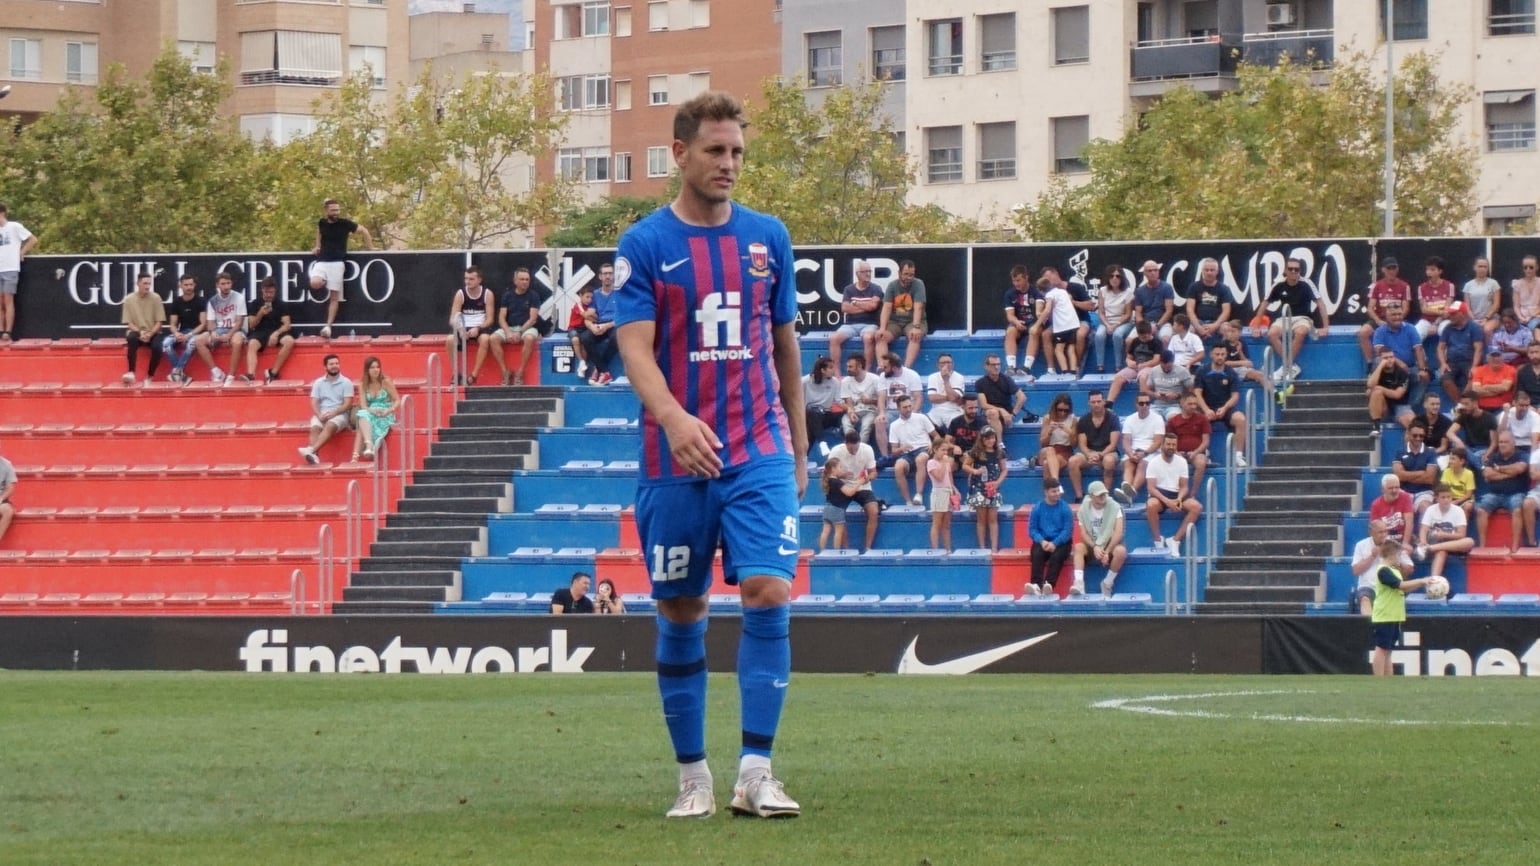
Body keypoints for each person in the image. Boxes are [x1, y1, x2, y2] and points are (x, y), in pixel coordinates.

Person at [612, 91, 804, 820]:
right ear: (680, 155)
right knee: (683, 607)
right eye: (716, 151)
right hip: (674, 459)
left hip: (757, 449)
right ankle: (692, 775)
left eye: (737, 152)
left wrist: (797, 439)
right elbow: (634, 347)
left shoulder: (768, 238)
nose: (729, 164)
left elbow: (785, 343)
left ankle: (756, 772)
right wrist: (673, 417)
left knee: (768, 590)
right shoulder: (644, 245)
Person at [1254, 257, 1328, 384]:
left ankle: (1285, 367)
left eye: (1297, 269)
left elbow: (1320, 303)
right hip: (1284, 318)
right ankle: (1290, 366)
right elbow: (1264, 304)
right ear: (1285, 270)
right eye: (1290, 269)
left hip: (1303, 318)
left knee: (1300, 332)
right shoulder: (1278, 284)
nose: (1294, 271)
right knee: (1272, 333)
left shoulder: (1307, 283)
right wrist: (1256, 327)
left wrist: (1326, 327)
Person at [309, 198, 374, 339]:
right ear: (326, 211)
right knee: (314, 283)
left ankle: (328, 326)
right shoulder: (322, 222)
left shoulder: (345, 224)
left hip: (337, 263)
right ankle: (325, 281)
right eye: (333, 210)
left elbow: (364, 230)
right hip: (322, 261)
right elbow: (319, 233)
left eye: (338, 210)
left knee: (334, 297)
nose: (336, 213)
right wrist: (317, 246)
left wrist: (371, 248)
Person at [1370, 538, 1432, 677]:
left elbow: (1402, 590)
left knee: (1389, 649)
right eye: (1399, 555)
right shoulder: (1383, 571)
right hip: (1384, 615)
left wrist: (1421, 585)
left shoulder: (1393, 570)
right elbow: (1400, 585)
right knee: (1381, 648)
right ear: (1391, 554)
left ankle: (1389, 679)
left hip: (1394, 614)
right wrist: (1421, 580)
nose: (1400, 558)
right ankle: (1378, 679)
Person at [1145, 431, 1203, 557]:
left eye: (1173, 445)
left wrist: (1179, 499)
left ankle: (1175, 540)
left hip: (1177, 493)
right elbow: (1151, 488)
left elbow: (1184, 486)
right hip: (1159, 493)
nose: (1171, 447)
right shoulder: (1153, 462)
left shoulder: (1182, 462)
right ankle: (1158, 540)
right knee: (1150, 505)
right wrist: (1167, 502)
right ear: (1162, 445)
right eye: (1168, 444)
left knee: (1196, 507)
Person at [1196, 343, 1249, 467]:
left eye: (1223, 354)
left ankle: (1238, 455)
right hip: (1207, 408)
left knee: (1240, 419)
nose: (1220, 357)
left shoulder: (1231, 373)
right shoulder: (1202, 371)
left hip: (1225, 408)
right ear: (1211, 355)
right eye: (1217, 354)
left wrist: (1225, 408)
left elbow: (1235, 396)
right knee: (1196, 419)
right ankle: (1204, 453)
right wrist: (1206, 409)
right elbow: (1197, 393)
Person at [1475, 431, 1529, 552]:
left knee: (1517, 510)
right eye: (1500, 442)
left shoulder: (1522, 455)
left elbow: (1519, 468)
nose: (1502, 445)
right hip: (1494, 494)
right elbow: (1487, 474)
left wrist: (1498, 469)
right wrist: (1510, 474)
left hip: (1516, 493)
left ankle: (1515, 546)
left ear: (1513, 443)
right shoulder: (1494, 456)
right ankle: (1482, 546)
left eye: (1505, 442)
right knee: (1480, 510)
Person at [297, 353, 354, 465]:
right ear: (325, 367)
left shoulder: (346, 382)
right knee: (315, 428)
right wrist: (319, 414)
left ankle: (311, 450)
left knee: (330, 425)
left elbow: (348, 404)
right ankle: (314, 455)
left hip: (340, 413)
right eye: (331, 364)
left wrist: (335, 412)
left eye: (337, 363)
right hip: (322, 412)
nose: (335, 366)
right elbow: (314, 402)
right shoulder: (318, 382)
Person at [829, 427, 880, 551]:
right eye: (851, 448)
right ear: (845, 444)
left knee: (873, 511)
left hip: (862, 485)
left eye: (856, 448)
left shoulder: (867, 450)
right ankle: (846, 549)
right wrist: (842, 475)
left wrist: (865, 479)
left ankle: (868, 547)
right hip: (842, 485)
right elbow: (828, 474)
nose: (854, 451)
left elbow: (873, 472)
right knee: (838, 514)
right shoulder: (836, 451)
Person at [1371, 302, 1428, 410]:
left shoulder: (1410, 328)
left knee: (1423, 376)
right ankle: (1385, 407)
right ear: (1386, 316)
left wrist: (1422, 369)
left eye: (1399, 314)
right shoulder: (1380, 331)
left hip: (1409, 367)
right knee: (1377, 361)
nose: (1397, 317)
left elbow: (1418, 349)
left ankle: (1410, 408)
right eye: (1393, 315)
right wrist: (1398, 362)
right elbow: (1379, 351)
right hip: (1390, 369)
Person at [445, 265, 497, 385]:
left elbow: (490, 319)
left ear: (479, 280)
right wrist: (461, 329)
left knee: (485, 339)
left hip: (480, 326)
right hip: (463, 325)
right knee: (449, 340)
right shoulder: (460, 294)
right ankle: (456, 373)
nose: (468, 282)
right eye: (466, 279)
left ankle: (473, 376)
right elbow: (452, 319)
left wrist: (478, 328)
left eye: (471, 279)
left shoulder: (487, 294)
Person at [1073, 480, 1127, 597]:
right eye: (1099, 495)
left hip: (1110, 544)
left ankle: (1107, 583)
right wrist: (1095, 546)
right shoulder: (1083, 510)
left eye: (1104, 494)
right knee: (1078, 548)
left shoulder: (1115, 507)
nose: (1103, 497)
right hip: (1093, 543)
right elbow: (1084, 533)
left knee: (1121, 551)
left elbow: (1118, 532)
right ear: (1091, 496)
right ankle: (1079, 583)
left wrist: (1107, 551)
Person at [492, 266, 544, 385]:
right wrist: (508, 332)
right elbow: (501, 317)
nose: (525, 282)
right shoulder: (507, 295)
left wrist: (519, 332)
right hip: (509, 327)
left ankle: (520, 372)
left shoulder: (534, 295)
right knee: (493, 338)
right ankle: (505, 371)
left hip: (527, 328)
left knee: (530, 338)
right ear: (515, 281)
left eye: (527, 279)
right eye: (522, 279)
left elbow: (532, 319)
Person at [1067, 389, 1121, 501]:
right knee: (1072, 461)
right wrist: (1090, 455)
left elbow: (1113, 444)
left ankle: (1106, 495)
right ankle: (1079, 495)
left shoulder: (1113, 418)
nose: (1096, 404)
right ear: (1088, 403)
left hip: (1108, 452)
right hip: (1089, 453)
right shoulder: (1083, 420)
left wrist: (1100, 455)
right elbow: (1082, 445)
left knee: (1109, 461)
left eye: (1099, 401)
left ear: (1104, 402)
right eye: (1093, 402)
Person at [242, 276, 296, 383]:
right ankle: (251, 375)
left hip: (276, 330)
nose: (269, 295)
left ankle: (273, 372)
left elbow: (287, 324)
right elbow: (252, 324)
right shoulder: (255, 303)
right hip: (260, 331)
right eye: (266, 292)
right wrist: (260, 313)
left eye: (271, 292)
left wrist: (276, 333)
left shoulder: (281, 304)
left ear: (275, 291)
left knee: (289, 341)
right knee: (252, 343)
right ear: (262, 290)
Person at [196, 271, 246, 384]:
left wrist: (229, 335)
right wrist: (212, 332)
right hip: (219, 329)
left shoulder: (239, 297)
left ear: (231, 284)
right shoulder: (213, 301)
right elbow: (210, 322)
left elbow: (239, 322)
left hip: (235, 329)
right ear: (217, 285)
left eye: (228, 283)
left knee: (237, 342)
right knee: (199, 340)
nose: (226, 286)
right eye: (223, 284)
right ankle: (216, 372)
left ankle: (231, 376)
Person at [1115, 392, 1165, 506]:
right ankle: (1127, 490)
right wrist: (1130, 453)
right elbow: (1126, 441)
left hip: (1151, 452)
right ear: (1136, 405)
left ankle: (1129, 493)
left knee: (1143, 464)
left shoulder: (1158, 419)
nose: (1145, 406)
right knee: (1128, 463)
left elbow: (1158, 442)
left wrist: (1145, 453)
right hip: (1134, 451)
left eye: (1147, 403)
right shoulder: (1129, 419)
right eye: (1141, 403)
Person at [963, 427, 1009, 552]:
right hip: (978, 487)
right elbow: (965, 465)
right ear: (982, 440)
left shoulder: (1000, 452)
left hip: (993, 488)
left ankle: (994, 547)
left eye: (992, 438)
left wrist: (998, 482)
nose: (990, 441)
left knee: (993, 519)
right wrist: (975, 471)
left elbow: (1004, 470)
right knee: (981, 519)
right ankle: (982, 547)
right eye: (987, 438)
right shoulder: (976, 452)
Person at [1358, 257, 1410, 366]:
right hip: (1381, 319)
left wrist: (1397, 318)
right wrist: (1377, 321)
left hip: (1397, 319)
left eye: (1394, 268)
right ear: (1383, 270)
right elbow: (1370, 308)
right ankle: (1370, 362)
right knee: (1363, 332)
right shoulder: (1377, 285)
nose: (1391, 271)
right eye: (1389, 268)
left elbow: (1406, 308)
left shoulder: (1404, 286)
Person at [888, 395, 938, 506]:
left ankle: (918, 494)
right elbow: (894, 450)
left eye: (910, 406)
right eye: (905, 407)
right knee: (898, 467)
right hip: (906, 453)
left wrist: (933, 446)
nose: (908, 409)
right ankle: (908, 501)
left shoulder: (921, 418)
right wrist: (902, 448)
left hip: (923, 448)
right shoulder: (894, 425)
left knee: (920, 459)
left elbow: (936, 437)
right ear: (899, 409)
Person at [831, 260, 882, 371]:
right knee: (834, 338)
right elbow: (844, 308)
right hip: (850, 325)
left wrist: (855, 303)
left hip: (870, 324)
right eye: (865, 271)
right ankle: (836, 373)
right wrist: (865, 307)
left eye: (869, 271)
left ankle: (866, 371)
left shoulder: (876, 288)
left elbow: (873, 306)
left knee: (868, 338)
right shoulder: (849, 289)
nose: (868, 274)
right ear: (857, 274)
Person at [876, 259, 926, 369]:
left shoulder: (918, 284)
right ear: (899, 273)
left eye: (911, 275)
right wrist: (882, 328)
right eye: (906, 274)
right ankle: (883, 368)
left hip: (913, 321)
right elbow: (887, 307)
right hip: (895, 322)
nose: (909, 277)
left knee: (915, 336)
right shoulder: (892, 285)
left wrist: (916, 327)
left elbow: (918, 307)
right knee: (881, 337)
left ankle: (906, 370)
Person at [1026, 476, 1072, 596]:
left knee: (1057, 556)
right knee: (1037, 553)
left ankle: (1049, 584)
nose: (1057, 494)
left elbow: (1067, 531)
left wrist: (1055, 543)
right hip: (1043, 540)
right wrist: (1042, 541)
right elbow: (1032, 530)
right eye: (1054, 491)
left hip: (1062, 542)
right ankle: (1035, 585)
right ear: (1046, 492)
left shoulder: (1065, 508)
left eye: (1058, 491)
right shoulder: (1038, 508)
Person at [0, 201, 38, 343]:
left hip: (10, 267)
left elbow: (32, 239)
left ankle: (7, 332)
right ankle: (1, 330)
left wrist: (21, 252)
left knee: (8, 299)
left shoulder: (14, 227)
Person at [1417, 485, 1476, 576]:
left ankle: (1428, 549)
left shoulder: (1458, 510)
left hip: (1453, 544)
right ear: (1437, 498)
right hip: (1435, 541)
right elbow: (1423, 530)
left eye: (1448, 497)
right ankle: (1434, 580)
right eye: (1443, 497)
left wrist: (1444, 535)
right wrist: (1423, 542)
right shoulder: (1431, 509)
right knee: (1441, 552)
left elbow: (1461, 535)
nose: (1446, 500)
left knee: (1470, 541)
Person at [120, 272, 166, 386]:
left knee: (157, 347)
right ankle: (131, 372)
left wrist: (150, 334)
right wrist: (140, 332)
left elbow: (159, 322)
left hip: (153, 331)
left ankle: (150, 376)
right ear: (138, 283)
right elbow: (128, 322)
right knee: (131, 339)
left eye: (149, 284)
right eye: (145, 283)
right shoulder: (129, 299)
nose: (147, 286)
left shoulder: (156, 298)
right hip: (137, 331)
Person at [873, 352, 923, 458]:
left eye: (886, 367)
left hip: (909, 409)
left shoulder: (912, 375)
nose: (883, 369)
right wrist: (881, 413)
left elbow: (918, 398)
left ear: (894, 367)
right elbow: (881, 398)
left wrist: (912, 414)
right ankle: (886, 456)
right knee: (879, 422)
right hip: (891, 411)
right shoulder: (883, 376)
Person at [351, 356, 399, 461]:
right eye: (372, 367)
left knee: (361, 422)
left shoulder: (385, 381)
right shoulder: (363, 384)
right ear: (367, 370)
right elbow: (363, 405)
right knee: (363, 414)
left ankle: (355, 456)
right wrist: (371, 410)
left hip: (385, 412)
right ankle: (368, 446)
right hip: (371, 411)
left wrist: (389, 410)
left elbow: (397, 400)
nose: (376, 370)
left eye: (378, 367)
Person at [1437, 301, 1486, 403]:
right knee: (1444, 378)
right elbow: (1440, 348)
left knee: (1473, 378)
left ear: (1462, 314)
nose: (1450, 316)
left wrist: (1474, 366)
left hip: (1469, 361)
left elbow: (1478, 349)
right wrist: (1443, 363)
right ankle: (1460, 405)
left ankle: (1467, 405)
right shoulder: (1448, 328)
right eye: (1450, 313)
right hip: (1452, 362)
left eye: (1453, 314)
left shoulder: (1474, 327)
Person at [580, 262, 620, 385]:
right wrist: (592, 327)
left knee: (617, 337)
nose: (608, 276)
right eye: (605, 274)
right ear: (600, 277)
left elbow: (623, 316)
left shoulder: (620, 293)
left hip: (614, 325)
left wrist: (606, 326)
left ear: (614, 276)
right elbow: (588, 316)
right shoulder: (595, 295)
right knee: (585, 337)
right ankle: (605, 371)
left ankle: (599, 369)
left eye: (610, 273)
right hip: (599, 324)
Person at [161, 274, 205, 384]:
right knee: (166, 343)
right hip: (182, 332)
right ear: (180, 285)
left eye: (191, 284)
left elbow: (203, 324)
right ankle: (180, 373)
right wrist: (176, 333)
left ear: (194, 285)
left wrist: (189, 335)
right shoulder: (177, 302)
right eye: (186, 285)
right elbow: (172, 324)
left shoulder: (201, 301)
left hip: (197, 333)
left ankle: (176, 372)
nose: (189, 287)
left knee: (191, 343)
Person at [1391, 420, 1439, 519]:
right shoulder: (1400, 451)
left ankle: (1423, 535)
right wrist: (1422, 473)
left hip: (1424, 492)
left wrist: (1406, 475)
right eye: (1415, 435)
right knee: (1399, 510)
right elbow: (1398, 476)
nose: (1418, 438)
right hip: (1404, 491)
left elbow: (1429, 478)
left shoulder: (1431, 452)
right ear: (1408, 434)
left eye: (1421, 436)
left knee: (1425, 508)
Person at [1106, 320, 1161, 405]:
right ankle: (1109, 403)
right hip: (1136, 366)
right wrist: (1129, 362)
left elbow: (1156, 360)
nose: (1143, 339)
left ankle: (1143, 403)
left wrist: (1144, 365)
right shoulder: (1135, 341)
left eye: (1145, 337)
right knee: (1118, 377)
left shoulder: (1157, 342)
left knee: (1143, 377)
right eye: (1141, 337)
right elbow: (1128, 357)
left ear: (1150, 333)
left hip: (1149, 367)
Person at [1002, 264, 1042, 379]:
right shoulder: (1010, 294)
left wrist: (1035, 323)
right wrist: (1016, 322)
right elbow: (1010, 315)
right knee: (1010, 332)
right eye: (1014, 281)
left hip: (1034, 322)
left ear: (1026, 278)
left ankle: (1026, 367)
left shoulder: (1036, 291)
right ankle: (1011, 366)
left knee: (1034, 331)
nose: (1016, 284)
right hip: (1019, 322)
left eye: (1018, 280)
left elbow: (1040, 311)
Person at [1166, 394, 1212, 494]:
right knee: (1171, 463)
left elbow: (1206, 441)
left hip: (1197, 452)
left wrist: (1195, 452)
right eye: (1190, 404)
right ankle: (1176, 493)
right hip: (1178, 453)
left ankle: (1193, 493)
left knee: (1201, 463)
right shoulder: (1173, 421)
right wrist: (1176, 452)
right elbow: (1168, 441)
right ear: (1182, 403)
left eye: (1195, 404)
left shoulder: (1202, 419)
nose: (1193, 406)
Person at [975, 353, 1028, 436]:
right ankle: (999, 443)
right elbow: (983, 404)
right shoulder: (980, 383)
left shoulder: (1006, 380)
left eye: (998, 364)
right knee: (992, 413)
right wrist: (1000, 410)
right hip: (990, 412)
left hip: (1007, 413)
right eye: (993, 365)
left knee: (993, 416)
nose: (996, 367)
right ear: (986, 366)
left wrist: (1013, 414)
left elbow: (1022, 397)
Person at [1095, 263, 1135, 374]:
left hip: (1123, 322)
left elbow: (1128, 314)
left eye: (1118, 276)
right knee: (1099, 335)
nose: (1114, 278)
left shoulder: (1128, 292)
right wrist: (1108, 325)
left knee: (1117, 335)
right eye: (1112, 276)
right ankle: (1100, 365)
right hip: (1106, 321)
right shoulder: (1102, 291)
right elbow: (1101, 312)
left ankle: (1118, 365)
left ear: (1122, 278)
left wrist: (1115, 325)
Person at [1184, 257, 1233, 347]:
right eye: (1206, 270)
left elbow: (1226, 311)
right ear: (1202, 271)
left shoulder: (1224, 289)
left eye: (1212, 270)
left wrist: (1215, 325)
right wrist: (1198, 326)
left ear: (1217, 272)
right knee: (1187, 331)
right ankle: (1190, 359)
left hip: (1217, 322)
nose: (1209, 272)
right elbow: (1189, 309)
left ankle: (1224, 356)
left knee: (1227, 330)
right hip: (1198, 322)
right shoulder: (1194, 287)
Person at [1039, 273, 1080, 376]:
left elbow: (1047, 310)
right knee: (1070, 348)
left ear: (1041, 291)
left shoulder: (1049, 295)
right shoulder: (1063, 291)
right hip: (1073, 324)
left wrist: (1037, 324)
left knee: (1059, 349)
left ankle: (1065, 372)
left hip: (1062, 326)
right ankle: (1074, 371)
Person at [1349, 518, 1391, 616]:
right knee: (1364, 598)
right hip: (1367, 586)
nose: (1384, 535)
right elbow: (1355, 571)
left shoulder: (1392, 545)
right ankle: (1369, 625)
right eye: (1380, 532)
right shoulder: (1361, 545)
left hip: (1388, 585)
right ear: (1371, 532)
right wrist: (1372, 556)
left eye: (1385, 531)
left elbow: (1405, 567)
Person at [1367, 344, 1411, 430]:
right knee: (1374, 392)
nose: (1389, 360)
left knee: (1411, 422)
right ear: (1380, 359)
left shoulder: (1402, 372)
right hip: (1384, 406)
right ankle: (1376, 427)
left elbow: (1397, 395)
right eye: (1385, 358)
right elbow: (1370, 385)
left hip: (1400, 405)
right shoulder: (1377, 371)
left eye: (1391, 357)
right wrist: (1380, 366)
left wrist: (1380, 388)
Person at [802, 356, 844, 447]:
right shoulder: (805, 381)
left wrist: (849, 410)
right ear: (822, 370)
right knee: (813, 414)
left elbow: (838, 401)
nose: (833, 370)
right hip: (809, 414)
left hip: (826, 414)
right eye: (830, 368)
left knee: (841, 414)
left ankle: (821, 443)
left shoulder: (835, 382)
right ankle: (822, 442)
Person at [838, 355, 880, 445]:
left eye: (850, 367)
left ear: (860, 366)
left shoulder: (875, 379)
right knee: (845, 422)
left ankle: (860, 448)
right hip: (855, 410)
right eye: (847, 366)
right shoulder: (846, 381)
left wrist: (870, 401)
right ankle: (851, 444)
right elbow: (848, 401)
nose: (847, 369)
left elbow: (882, 400)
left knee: (866, 426)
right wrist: (851, 412)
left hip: (871, 410)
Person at [1131, 260, 1177, 343]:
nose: (1153, 273)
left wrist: (1157, 326)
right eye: (1149, 271)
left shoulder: (1167, 288)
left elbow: (1169, 311)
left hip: (1163, 324)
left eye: (1155, 270)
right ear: (1144, 273)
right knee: (1129, 341)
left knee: (1165, 340)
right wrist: (1144, 328)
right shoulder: (1139, 291)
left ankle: (1163, 356)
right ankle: (1129, 356)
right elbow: (1138, 313)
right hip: (1145, 324)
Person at [1037, 392, 1077, 486]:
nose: (1063, 413)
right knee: (1050, 450)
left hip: (1065, 451)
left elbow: (1074, 444)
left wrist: (1070, 432)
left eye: (1066, 410)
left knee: (1047, 464)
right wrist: (1049, 432)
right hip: (1048, 449)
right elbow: (1042, 443)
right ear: (1055, 408)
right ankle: (1056, 483)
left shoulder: (1073, 419)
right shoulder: (1048, 418)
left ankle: (1050, 491)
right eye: (1060, 410)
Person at [1414, 256, 1457, 341]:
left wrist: (1436, 324)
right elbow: (1424, 309)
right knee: (1415, 336)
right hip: (1426, 320)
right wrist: (1440, 312)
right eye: (1427, 269)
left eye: (1432, 270)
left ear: (1440, 271)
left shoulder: (1449, 286)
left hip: (1443, 320)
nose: (1429, 273)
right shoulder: (1421, 287)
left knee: (1447, 333)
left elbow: (1446, 311)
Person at [1448, 390, 1497, 465]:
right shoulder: (1463, 416)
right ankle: (1480, 467)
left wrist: (1486, 454)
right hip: (1469, 448)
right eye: (1462, 404)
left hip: (1484, 449)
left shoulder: (1489, 417)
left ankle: (1475, 463)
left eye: (1466, 404)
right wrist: (1458, 442)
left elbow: (1494, 443)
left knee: (1469, 458)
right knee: (1456, 445)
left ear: (1475, 403)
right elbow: (1449, 432)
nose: (1464, 407)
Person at [1368, 473, 1416, 550]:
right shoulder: (1376, 504)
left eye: (1397, 487)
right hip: (1385, 542)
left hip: (1402, 540)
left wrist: (1405, 543)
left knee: (1407, 550)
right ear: (1383, 489)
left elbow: (1409, 522)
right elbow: (1375, 529)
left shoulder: (1405, 497)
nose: (1394, 490)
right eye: (1390, 488)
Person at [1141, 349, 1192, 419]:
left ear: (1173, 362)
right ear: (1160, 362)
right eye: (1163, 366)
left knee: (1173, 419)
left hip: (1174, 405)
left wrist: (1177, 395)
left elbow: (1191, 391)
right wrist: (1154, 394)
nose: (1166, 369)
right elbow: (1146, 390)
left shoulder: (1182, 371)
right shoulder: (1154, 370)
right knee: (1149, 418)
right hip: (1157, 405)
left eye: (1169, 367)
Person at [926, 438, 957, 553]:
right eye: (942, 450)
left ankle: (948, 549)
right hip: (938, 493)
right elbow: (938, 477)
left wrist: (954, 489)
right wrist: (944, 463)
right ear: (935, 449)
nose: (945, 453)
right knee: (937, 523)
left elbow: (949, 477)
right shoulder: (931, 463)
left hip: (948, 492)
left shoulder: (946, 463)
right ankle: (935, 549)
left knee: (946, 524)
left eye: (946, 450)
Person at [818, 455, 854, 552]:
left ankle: (822, 551)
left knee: (825, 531)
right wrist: (859, 482)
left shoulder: (828, 480)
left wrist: (845, 474)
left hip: (827, 508)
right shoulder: (837, 482)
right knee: (838, 532)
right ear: (833, 469)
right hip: (837, 509)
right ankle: (836, 552)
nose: (842, 469)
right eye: (840, 467)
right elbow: (849, 492)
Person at [1463, 257, 1503, 339]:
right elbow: (1467, 306)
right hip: (1473, 319)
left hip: (1491, 318)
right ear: (1474, 267)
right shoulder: (1468, 285)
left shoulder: (1493, 283)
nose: (1482, 269)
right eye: (1480, 266)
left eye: (1485, 267)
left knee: (1487, 329)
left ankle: (1489, 351)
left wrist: (1486, 318)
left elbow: (1496, 304)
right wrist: (1473, 320)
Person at [924, 353, 966, 430]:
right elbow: (932, 398)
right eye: (943, 363)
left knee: (959, 424)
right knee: (923, 422)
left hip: (954, 410)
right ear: (938, 365)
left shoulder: (959, 377)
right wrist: (949, 397)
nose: (946, 365)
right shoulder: (932, 377)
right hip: (936, 410)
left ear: (953, 364)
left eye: (948, 362)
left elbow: (953, 398)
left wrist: (946, 380)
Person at [1470, 347, 1518, 411]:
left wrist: (1486, 386)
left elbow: (1505, 388)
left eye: (1498, 356)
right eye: (1492, 356)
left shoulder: (1510, 369)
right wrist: (1498, 390)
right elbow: (1476, 390)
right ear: (1487, 358)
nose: (1496, 358)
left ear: (1503, 357)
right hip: (1482, 407)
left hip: (1503, 407)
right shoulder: (1479, 370)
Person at [1438, 447, 1476, 517]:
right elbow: (1444, 489)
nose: (1450, 461)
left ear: (1462, 461)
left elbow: (1468, 495)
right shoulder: (1446, 471)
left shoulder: (1469, 473)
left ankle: (1463, 527)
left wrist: (1456, 502)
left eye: (1453, 459)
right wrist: (1448, 501)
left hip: (1464, 499)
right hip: (1450, 498)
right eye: (1450, 458)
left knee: (1468, 506)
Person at [567, 283, 594, 379]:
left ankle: (582, 365)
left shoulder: (591, 306)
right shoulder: (578, 305)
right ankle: (581, 361)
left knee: (585, 341)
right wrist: (592, 314)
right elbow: (586, 315)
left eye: (591, 298)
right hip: (573, 328)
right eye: (587, 297)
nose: (589, 300)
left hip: (584, 329)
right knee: (575, 339)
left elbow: (595, 318)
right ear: (580, 296)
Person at [1510, 254, 1540, 331]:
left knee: (1532, 326)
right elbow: (1516, 306)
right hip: (1521, 316)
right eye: (1525, 267)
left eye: (1531, 267)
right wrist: (1520, 317)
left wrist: (1530, 317)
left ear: (1537, 267)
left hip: (1537, 315)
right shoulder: (1517, 284)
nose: (1528, 270)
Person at [0, 443, 15, 544]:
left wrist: (1, 498)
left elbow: (10, 488)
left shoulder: (6, 465)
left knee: (8, 511)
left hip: (0, 499)